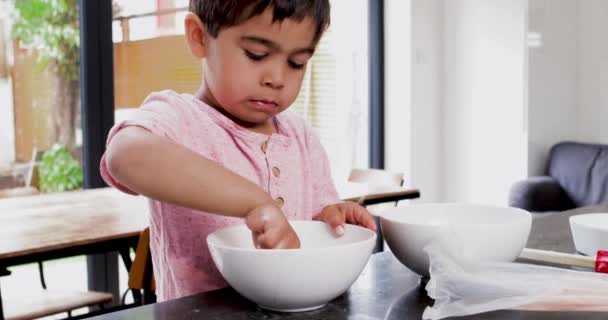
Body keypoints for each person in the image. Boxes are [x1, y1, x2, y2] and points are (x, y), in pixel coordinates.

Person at [101, 0, 376, 301]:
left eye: (296, 63)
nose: (277, 79)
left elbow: (312, 221)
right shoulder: (179, 119)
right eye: (256, 55)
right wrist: (255, 201)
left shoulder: (301, 136)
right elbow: (124, 156)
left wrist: (332, 218)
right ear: (199, 36)